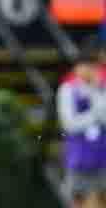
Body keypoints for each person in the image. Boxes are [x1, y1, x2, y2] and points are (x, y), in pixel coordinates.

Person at [57, 39, 106, 208]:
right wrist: (95, 115)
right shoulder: (67, 90)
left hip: (103, 159)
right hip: (79, 159)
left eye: (93, 66)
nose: (90, 70)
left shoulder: (102, 88)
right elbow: (70, 124)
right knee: (79, 202)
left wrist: (95, 90)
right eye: (86, 65)